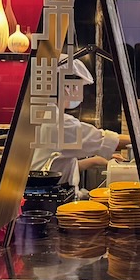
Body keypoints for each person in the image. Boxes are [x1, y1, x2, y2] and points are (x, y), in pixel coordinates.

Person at [31, 57, 126, 186]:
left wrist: (94, 161)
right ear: (66, 88)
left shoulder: (42, 113)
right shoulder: (59, 122)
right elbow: (111, 141)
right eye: (80, 87)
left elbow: (55, 165)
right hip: (51, 201)